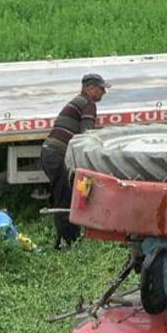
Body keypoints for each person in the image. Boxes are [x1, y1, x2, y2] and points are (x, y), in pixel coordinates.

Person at [41, 73, 110, 249]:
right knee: (65, 199)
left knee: (65, 195)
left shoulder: (79, 101)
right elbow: (86, 136)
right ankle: (68, 243)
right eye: (101, 89)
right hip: (57, 154)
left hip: (51, 153)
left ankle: (64, 240)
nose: (104, 93)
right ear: (90, 88)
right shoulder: (88, 104)